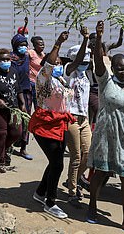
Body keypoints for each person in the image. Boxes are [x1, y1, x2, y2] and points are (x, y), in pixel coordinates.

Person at [86, 20, 124, 234]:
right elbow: (99, 63)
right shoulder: (106, 82)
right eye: (119, 69)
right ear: (114, 69)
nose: (123, 72)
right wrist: (99, 37)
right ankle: (92, 204)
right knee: (101, 174)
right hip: (105, 134)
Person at [29, 31, 77, 219]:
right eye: (55, 63)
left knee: (55, 162)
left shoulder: (61, 80)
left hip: (60, 124)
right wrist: (58, 43)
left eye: (60, 63)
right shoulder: (43, 78)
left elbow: (74, 64)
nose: (58, 65)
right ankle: (50, 202)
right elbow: (49, 64)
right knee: (57, 164)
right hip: (45, 125)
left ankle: (40, 193)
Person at [64, 27, 92, 202]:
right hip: (71, 118)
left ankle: (72, 180)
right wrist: (85, 40)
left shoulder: (85, 75)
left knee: (88, 156)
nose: (85, 62)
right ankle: (73, 191)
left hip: (84, 119)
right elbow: (78, 60)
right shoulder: (70, 70)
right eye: (83, 59)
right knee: (76, 157)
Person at [10, 32, 33, 160]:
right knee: (13, 120)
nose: (23, 47)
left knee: (26, 120)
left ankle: (23, 148)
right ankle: (9, 144)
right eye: (20, 45)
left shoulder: (26, 57)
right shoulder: (11, 59)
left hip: (26, 91)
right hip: (13, 92)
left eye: (25, 45)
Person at [28, 36, 46, 109]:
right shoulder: (31, 53)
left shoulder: (43, 54)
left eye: (43, 44)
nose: (42, 46)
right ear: (35, 45)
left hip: (39, 83)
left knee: (38, 105)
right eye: (40, 44)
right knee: (29, 104)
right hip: (31, 81)